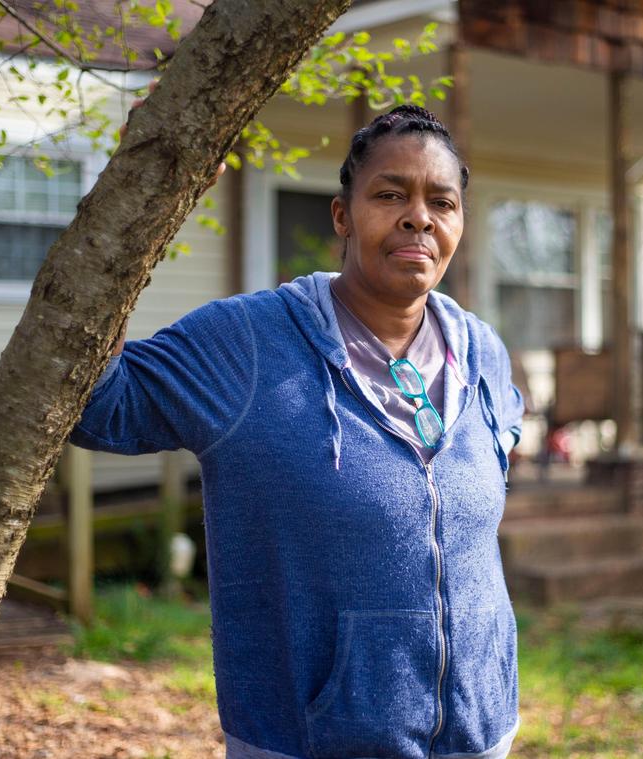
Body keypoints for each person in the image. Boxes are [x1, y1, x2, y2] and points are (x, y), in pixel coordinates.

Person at [70, 104, 525, 759]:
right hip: (308, 740)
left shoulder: (483, 354)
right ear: (341, 216)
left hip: (480, 737)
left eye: (442, 202)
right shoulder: (249, 345)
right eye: (389, 195)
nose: (418, 217)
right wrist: (132, 204)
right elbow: (95, 402)